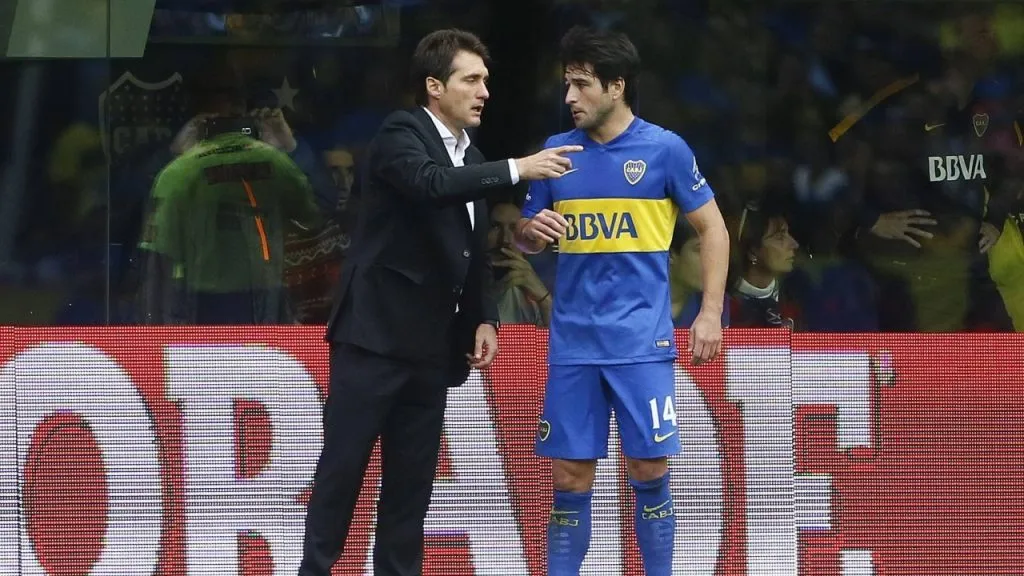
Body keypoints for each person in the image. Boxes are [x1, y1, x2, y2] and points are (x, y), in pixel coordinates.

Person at [299, 28, 583, 576]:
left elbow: (469, 246)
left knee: (411, 488)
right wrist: (518, 167)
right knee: (342, 472)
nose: (484, 92)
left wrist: (481, 317)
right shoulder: (400, 132)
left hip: (431, 348)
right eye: (471, 79)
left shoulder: (470, 154)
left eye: (485, 81)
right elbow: (431, 185)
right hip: (372, 339)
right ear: (434, 85)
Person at [514, 26, 730, 576]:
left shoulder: (665, 150)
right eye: (567, 84)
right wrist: (529, 232)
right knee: (568, 478)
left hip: (640, 342)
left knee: (649, 469)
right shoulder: (556, 155)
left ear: (617, 85)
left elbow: (713, 230)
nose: (569, 98)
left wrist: (709, 313)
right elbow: (522, 234)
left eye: (582, 85)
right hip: (574, 343)